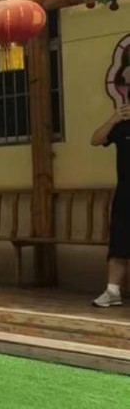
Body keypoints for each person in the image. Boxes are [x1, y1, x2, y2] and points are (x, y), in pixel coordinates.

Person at [91, 104, 130, 308]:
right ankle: (113, 292)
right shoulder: (121, 126)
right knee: (119, 244)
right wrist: (113, 119)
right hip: (125, 194)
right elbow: (95, 140)